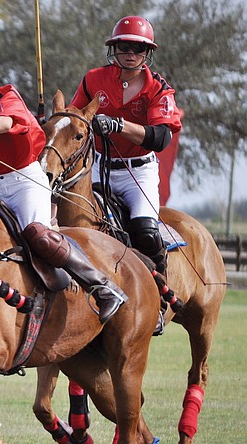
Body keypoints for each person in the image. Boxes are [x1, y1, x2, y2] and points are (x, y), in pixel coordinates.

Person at [0, 44, 127, 324]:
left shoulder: (4, 97)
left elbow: (6, 123)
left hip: (26, 180)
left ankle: (104, 288)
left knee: (38, 235)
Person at [70, 16, 181, 333]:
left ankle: (158, 300)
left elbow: (161, 138)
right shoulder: (94, 79)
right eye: (123, 46)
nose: (129, 52)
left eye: (137, 47)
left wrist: (119, 126)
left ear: (147, 52)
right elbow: (77, 116)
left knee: (145, 231)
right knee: (71, 224)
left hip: (138, 173)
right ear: (113, 49)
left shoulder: (158, 89)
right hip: (98, 166)